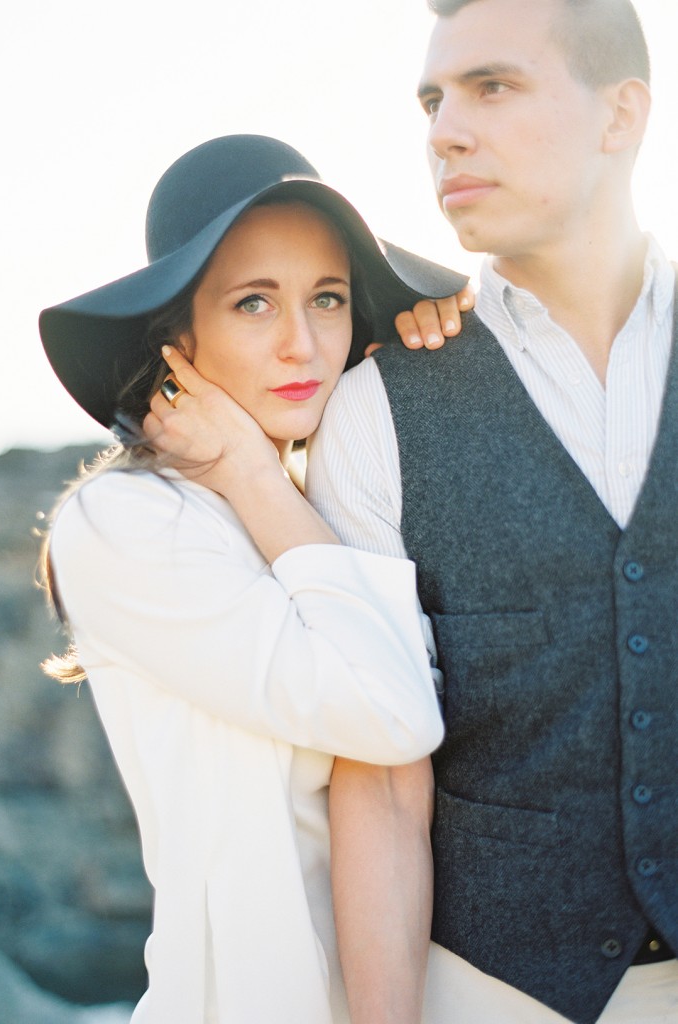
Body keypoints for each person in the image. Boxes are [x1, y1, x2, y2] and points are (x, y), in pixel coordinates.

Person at [37, 133, 472, 1023]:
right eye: (253, 303)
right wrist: (253, 474)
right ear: (177, 333)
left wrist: (450, 354)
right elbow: (389, 711)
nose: (302, 344)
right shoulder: (124, 525)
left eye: (330, 298)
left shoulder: (320, 505)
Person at [305, 2, 678, 1023]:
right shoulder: (380, 405)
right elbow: (379, 778)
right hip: (488, 990)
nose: (442, 131)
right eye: (432, 99)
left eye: (492, 87)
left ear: (621, 115)